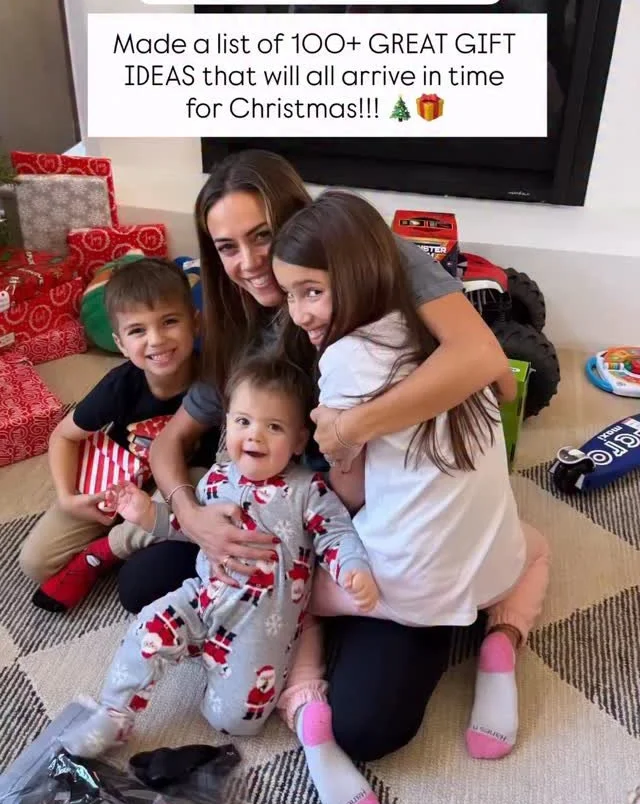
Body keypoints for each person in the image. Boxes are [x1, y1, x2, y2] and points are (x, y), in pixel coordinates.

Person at [120, 148, 515, 762]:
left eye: (262, 236)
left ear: (296, 221)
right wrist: (190, 514)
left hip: (378, 518)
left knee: (367, 728)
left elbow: (493, 370)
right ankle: (309, 613)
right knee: (142, 582)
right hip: (287, 513)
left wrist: (348, 429)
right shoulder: (237, 320)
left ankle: (426, 617)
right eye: (227, 248)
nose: (250, 264)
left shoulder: (368, 260)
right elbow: (172, 439)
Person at [271, 189, 551, 760]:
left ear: (359, 276)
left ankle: (302, 693)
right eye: (290, 295)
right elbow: (502, 389)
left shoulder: (346, 359)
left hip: (404, 586)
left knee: (290, 584)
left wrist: (334, 449)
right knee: (539, 550)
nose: (299, 314)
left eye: (313, 291)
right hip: (492, 568)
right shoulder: (448, 339)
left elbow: (351, 492)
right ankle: (502, 643)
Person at [61, 354, 383, 804]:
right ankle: (114, 713)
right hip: (202, 598)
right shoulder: (215, 479)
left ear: (299, 440)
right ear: (226, 424)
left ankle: (273, 686)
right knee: (148, 627)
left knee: (231, 720)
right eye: (243, 422)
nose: (254, 436)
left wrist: (353, 570)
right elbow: (183, 526)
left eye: (273, 427)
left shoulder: (308, 491)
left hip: (260, 626)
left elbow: (336, 534)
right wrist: (145, 512)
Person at [19, 258, 218, 612]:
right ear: (121, 344)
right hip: (117, 480)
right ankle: (127, 539)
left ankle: (105, 550)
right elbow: (63, 437)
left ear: (195, 322)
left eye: (169, 322)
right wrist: (67, 497)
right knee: (36, 563)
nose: (156, 340)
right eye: (138, 330)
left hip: (178, 485)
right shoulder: (120, 384)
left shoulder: (214, 380)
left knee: (197, 483)